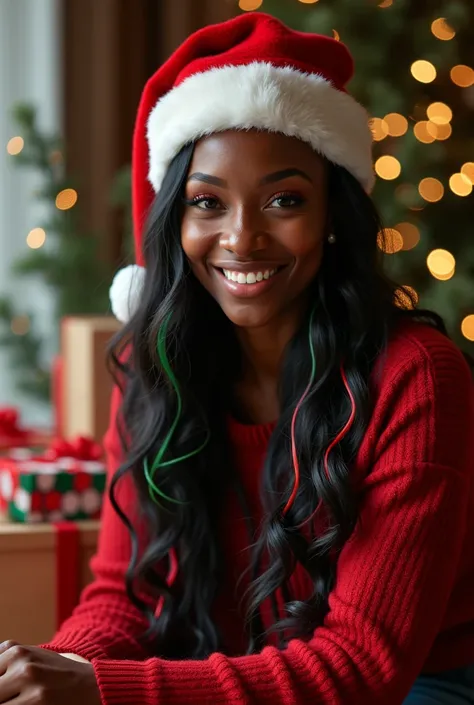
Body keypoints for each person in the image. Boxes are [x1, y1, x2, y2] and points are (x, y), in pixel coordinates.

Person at [0, 11, 473, 705]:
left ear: (334, 216)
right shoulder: (153, 365)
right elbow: (125, 595)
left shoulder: (418, 377)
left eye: (285, 199)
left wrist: (100, 688)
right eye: (207, 202)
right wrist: (53, 669)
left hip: (416, 685)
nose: (242, 237)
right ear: (176, 221)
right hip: (237, 672)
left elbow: (362, 668)